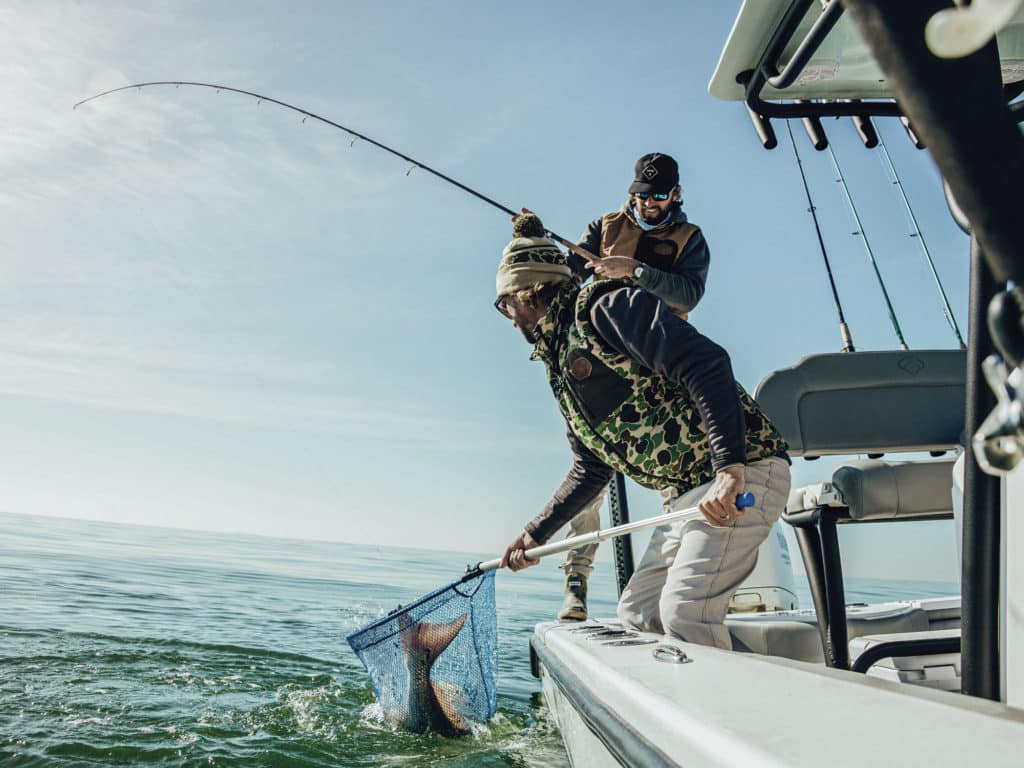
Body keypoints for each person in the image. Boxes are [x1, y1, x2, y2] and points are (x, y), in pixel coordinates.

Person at [493, 213, 790, 648]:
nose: (507, 315)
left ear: (527, 291)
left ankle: (725, 714)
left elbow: (707, 364)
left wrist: (729, 469)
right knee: (639, 613)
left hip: (744, 475)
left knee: (684, 612)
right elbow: (590, 469)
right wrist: (535, 534)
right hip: (688, 495)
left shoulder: (605, 307)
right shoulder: (559, 362)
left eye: (505, 304)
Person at [551, 152, 713, 621]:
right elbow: (566, 276)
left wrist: (635, 272)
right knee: (593, 471)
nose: (648, 204)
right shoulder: (602, 226)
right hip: (601, 367)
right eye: (640, 195)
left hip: (660, 366)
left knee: (676, 473)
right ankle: (576, 582)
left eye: (658, 196)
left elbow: (689, 294)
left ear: (675, 195)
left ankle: (672, 586)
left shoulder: (691, 239)